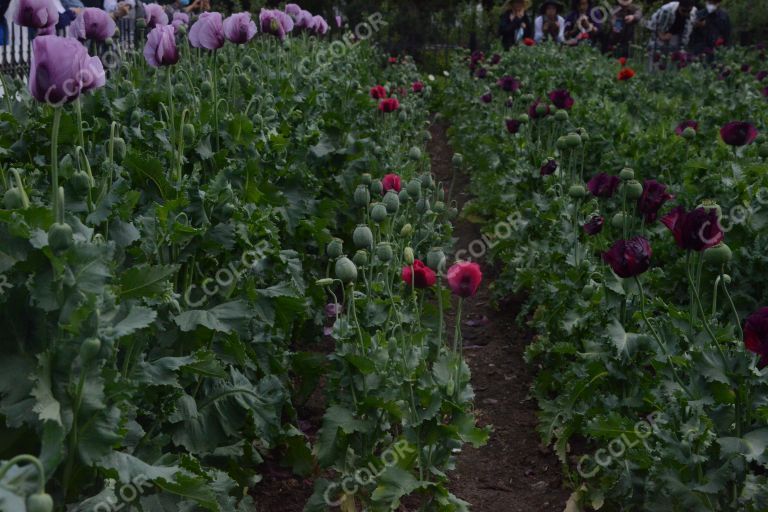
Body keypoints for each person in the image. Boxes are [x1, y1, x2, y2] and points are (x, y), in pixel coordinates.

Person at [646, 0, 697, 68]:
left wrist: (683, 45)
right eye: (684, 11)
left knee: (673, 59)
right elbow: (656, 25)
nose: (686, 13)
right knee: (656, 57)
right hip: (662, 32)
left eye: (689, 11)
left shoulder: (693, 11)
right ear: (679, 6)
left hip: (677, 35)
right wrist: (662, 36)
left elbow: (688, 29)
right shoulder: (666, 10)